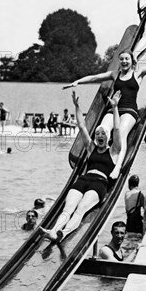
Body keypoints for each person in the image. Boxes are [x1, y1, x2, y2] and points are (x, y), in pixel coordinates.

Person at [65, 49, 146, 180]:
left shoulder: (138, 73)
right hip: (114, 109)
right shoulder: (115, 74)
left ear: (132, 61)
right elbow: (95, 77)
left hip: (130, 111)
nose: (124, 61)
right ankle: (92, 163)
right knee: (102, 130)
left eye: (126, 59)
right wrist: (77, 81)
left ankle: (117, 166)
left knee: (121, 133)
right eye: (121, 59)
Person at [41, 91, 122, 243]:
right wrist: (77, 106)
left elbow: (117, 129)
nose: (100, 135)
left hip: (99, 183)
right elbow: (82, 126)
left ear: (108, 137)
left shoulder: (114, 151)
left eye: (103, 133)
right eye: (97, 133)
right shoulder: (91, 148)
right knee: (68, 208)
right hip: (83, 179)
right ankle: (53, 231)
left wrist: (115, 108)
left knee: (80, 210)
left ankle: (63, 234)